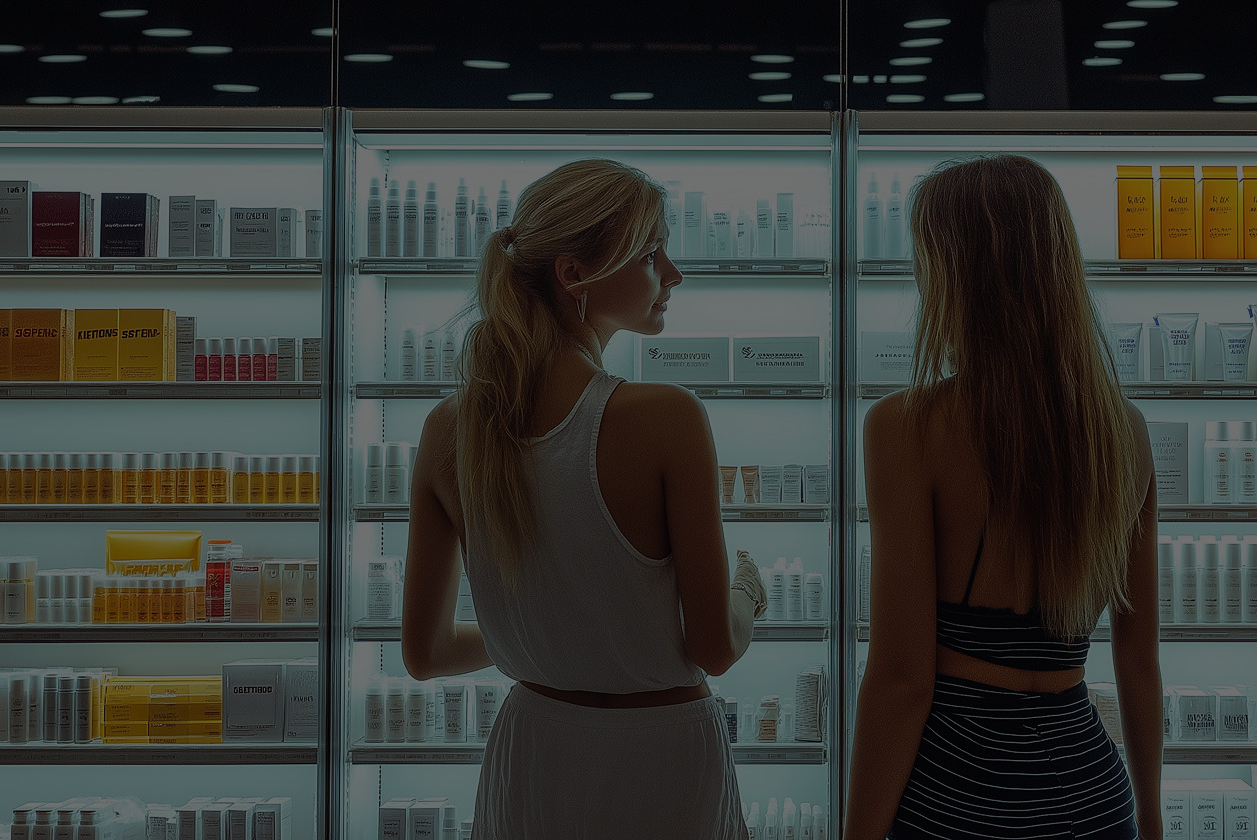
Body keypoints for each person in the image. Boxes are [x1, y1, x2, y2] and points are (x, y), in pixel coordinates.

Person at [400, 158, 765, 840]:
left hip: (533, 752)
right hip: (662, 755)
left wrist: (555, 632)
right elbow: (714, 646)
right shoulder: (665, 416)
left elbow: (426, 655)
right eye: (653, 254)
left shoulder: (448, 429)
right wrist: (749, 593)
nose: (673, 274)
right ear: (574, 275)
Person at [843, 155, 1162, 840]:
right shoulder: (1122, 431)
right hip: (1092, 794)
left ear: (958, 275)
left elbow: (902, 681)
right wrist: (1153, 817)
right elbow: (1137, 660)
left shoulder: (907, 427)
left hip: (958, 793)